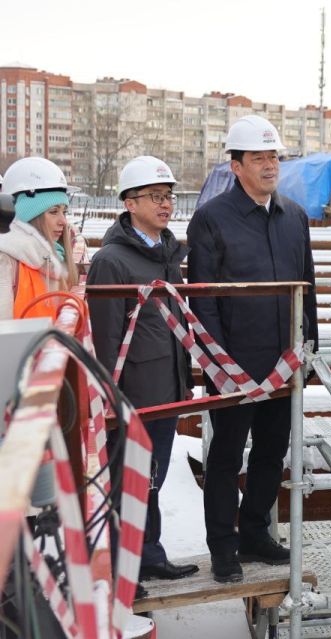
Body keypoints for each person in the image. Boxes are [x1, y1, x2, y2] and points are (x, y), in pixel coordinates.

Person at [187, 115, 318, 584]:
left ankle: (255, 532)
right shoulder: (211, 219)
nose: (270, 166)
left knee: (271, 451)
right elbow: (202, 296)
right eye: (259, 158)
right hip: (233, 367)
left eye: (274, 157)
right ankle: (223, 545)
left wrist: (308, 347)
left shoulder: (294, 217)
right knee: (225, 456)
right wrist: (220, 364)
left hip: (282, 363)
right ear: (236, 165)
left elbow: (306, 285)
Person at [86, 156, 198, 584]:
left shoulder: (167, 254)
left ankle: (148, 554)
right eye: (155, 196)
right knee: (128, 483)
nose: (166, 204)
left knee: (151, 481)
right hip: (133, 396)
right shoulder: (112, 262)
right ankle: (121, 573)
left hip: (165, 391)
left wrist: (182, 383)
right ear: (130, 203)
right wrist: (114, 401)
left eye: (168, 196)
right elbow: (107, 341)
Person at [0, 157, 78, 320]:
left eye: (64, 212)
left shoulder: (52, 260)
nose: (63, 221)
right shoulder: (5, 261)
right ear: (27, 215)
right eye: (53, 211)